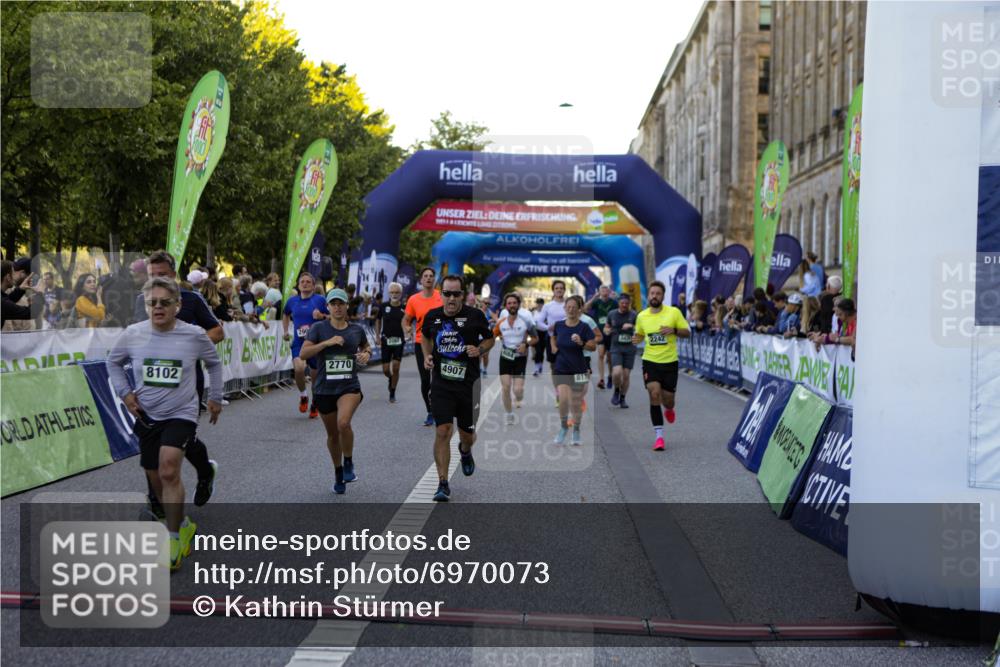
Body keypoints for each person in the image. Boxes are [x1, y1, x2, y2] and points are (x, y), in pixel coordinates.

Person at [107, 276, 223, 570]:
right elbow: (113, 362)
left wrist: (216, 397)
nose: (158, 307)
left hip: (181, 412)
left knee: (169, 468)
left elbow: (214, 363)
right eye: (152, 303)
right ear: (146, 306)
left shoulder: (194, 335)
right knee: (154, 475)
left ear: (177, 305)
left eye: (165, 302)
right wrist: (126, 394)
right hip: (147, 415)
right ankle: (181, 524)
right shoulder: (133, 334)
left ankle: (171, 538)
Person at [133, 250, 222, 512]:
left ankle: (205, 472)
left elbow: (218, 331)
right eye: (152, 275)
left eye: (162, 275)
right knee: (151, 438)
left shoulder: (192, 300)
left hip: (185, 382)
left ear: (173, 274)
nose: (156, 280)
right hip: (150, 382)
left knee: (185, 437)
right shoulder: (142, 301)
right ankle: (156, 502)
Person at [420, 275, 494, 502]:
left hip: (467, 385)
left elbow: (490, 339)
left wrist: (479, 350)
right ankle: (442, 483)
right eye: (447, 293)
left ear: (463, 295)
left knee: (467, 435)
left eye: (456, 294)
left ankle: (465, 450)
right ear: (441, 293)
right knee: (442, 430)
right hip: (441, 383)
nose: (451, 298)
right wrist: (427, 356)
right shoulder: (432, 317)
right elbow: (424, 337)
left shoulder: (475, 316)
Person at [299, 288, 371, 495]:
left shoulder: (356, 330)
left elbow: (366, 347)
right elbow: (304, 353)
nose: (337, 307)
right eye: (334, 304)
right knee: (332, 435)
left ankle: (348, 462)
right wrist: (327, 343)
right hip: (323, 388)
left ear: (347, 306)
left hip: (349, 386)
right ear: (328, 307)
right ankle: (338, 472)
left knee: (343, 423)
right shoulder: (319, 328)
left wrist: (366, 353)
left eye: (341, 303)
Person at [633, 280, 691, 452]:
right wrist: (637, 339)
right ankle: (659, 437)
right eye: (652, 293)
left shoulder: (673, 313)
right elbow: (641, 335)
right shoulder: (642, 316)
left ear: (663, 296)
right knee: (654, 393)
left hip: (670, 362)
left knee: (668, 400)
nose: (655, 296)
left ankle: (670, 409)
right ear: (648, 295)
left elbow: (687, 333)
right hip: (650, 362)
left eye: (658, 293)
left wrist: (673, 330)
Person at [282, 272, 329, 419]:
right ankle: (303, 396)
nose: (305, 284)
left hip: (315, 344)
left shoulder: (320, 300)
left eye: (309, 282)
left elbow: (332, 317)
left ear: (314, 286)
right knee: (299, 368)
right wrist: (285, 331)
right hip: (299, 342)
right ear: (298, 285)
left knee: (315, 378)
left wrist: (321, 316)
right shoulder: (292, 301)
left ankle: (314, 403)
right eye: (302, 281)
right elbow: (285, 314)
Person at [551, 295, 597, 445]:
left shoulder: (584, 327)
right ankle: (564, 427)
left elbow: (593, 346)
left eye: (573, 307)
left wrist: (581, 342)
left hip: (580, 369)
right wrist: (553, 346)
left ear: (579, 309)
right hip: (562, 368)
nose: (570, 310)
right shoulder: (559, 325)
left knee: (576, 402)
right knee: (563, 400)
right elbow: (553, 336)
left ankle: (576, 430)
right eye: (568, 307)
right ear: (565, 308)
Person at [403, 267, 443, 427]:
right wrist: (406, 328)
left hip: (441, 343)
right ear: (421, 280)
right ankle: (430, 411)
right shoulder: (413, 300)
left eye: (431, 276)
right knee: (426, 380)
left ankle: (441, 409)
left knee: (440, 379)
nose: (428, 278)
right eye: (425, 276)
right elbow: (406, 319)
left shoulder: (441, 297)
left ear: (434, 279)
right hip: (421, 343)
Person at [494, 293, 537, 424]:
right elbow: (492, 336)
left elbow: (536, 338)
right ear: (506, 306)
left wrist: (526, 344)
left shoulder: (526, 321)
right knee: (506, 387)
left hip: (520, 358)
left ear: (518, 304)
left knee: (517, 390)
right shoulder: (501, 322)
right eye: (509, 303)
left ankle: (519, 397)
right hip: (505, 357)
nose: (512, 305)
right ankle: (509, 413)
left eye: (514, 303)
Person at [605, 293, 637, 409]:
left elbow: (641, 328)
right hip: (616, 347)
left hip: (629, 348)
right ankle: (617, 390)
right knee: (617, 372)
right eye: (622, 303)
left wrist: (632, 327)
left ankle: (623, 398)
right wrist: (607, 331)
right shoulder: (612, 314)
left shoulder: (634, 314)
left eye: (627, 303)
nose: (624, 305)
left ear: (629, 304)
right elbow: (606, 327)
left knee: (626, 375)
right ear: (618, 303)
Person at [377, 282, 406, 403]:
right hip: (386, 340)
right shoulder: (383, 306)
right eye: (392, 292)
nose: (394, 294)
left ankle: (392, 391)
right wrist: (377, 336)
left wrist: (409, 332)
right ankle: (391, 379)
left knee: (396, 367)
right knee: (385, 369)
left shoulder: (405, 307)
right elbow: (378, 320)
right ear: (389, 293)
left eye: (397, 292)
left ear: (401, 293)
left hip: (399, 340)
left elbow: (409, 322)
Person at [585, 285, 617, 389]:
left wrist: (616, 298)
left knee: (610, 356)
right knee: (600, 355)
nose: (604, 291)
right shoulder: (597, 302)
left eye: (606, 289)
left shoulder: (613, 302)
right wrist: (594, 297)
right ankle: (601, 379)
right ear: (599, 292)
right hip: (600, 332)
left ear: (609, 291)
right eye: (602, 290)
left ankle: (610, 376)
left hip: (611, 333)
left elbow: (622, 311)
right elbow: (585, 309)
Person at [1, 260, 39, 326]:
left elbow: (8, 301)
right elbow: (30, 314)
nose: (15, 276)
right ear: (8, 277)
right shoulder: (2, 303)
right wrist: (40, 293)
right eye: (13, 273)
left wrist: (21, 289)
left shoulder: (3, 300)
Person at [531, 297, 547, 376]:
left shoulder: (545, 313)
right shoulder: (533, 312)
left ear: (543, 304)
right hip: (536, 333)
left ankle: (540, 365)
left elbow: (548, 322)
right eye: (538, 303)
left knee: (542, 351)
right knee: (538, 351)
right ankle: (536, 368)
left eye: (541, 303)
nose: (539, 305)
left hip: (544, 333)